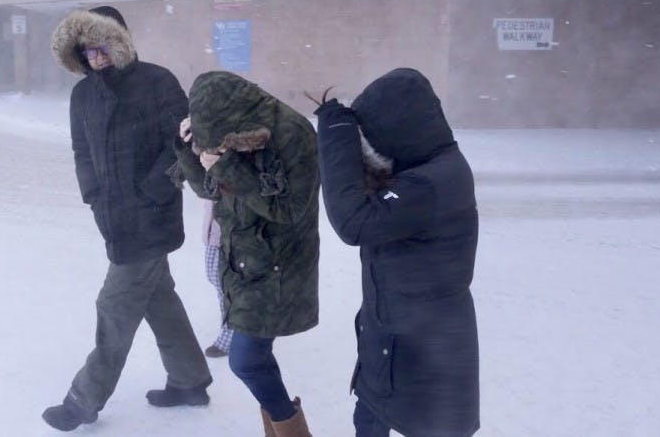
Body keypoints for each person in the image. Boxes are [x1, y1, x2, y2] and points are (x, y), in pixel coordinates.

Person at [41, 6, 212, 431]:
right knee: (159, 299)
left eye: (101, 48)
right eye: (87, 51)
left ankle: (84, 399)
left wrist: (151, 192)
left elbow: (183, 145)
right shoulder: (83, 95)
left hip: (153, 216)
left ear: (119, 42)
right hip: (113, 217)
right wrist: (94, 196)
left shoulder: (158, 82)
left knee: (115, 306)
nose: (95, 58)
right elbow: (82, 151)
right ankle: (190, 380)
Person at [313, 68, 480, 437]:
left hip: (425, 348)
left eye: (373, 137)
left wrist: (337, 133)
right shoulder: (429, 167)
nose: (373, 147)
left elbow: (353, 222)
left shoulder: (430, 183)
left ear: (397, 128)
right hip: (396, 338)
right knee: (370, 420)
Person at [173, 71, 319, 437]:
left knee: (246, 361)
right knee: (255, 360)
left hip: (279, 264)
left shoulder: (292, 132)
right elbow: (209, 191)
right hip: (240, 260)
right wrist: (188, 150)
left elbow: (290, 209)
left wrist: (224, 166)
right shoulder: (222, 135)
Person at [201, 199, 234, 358]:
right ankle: (232, 328)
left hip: (230, 233)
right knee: (214, 276)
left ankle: (232, 333)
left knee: (226, 285)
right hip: (213, 230)